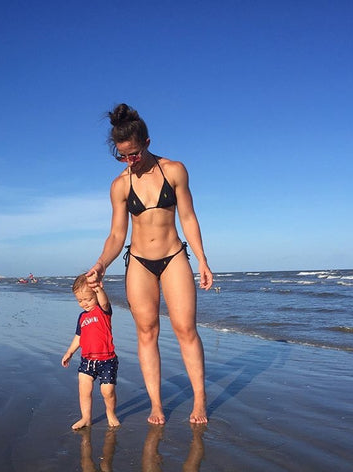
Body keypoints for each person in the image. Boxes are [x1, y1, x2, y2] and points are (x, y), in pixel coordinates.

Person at [86, 103, 213, 425]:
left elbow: (188, 218)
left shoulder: (174, 171)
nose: (129, 161)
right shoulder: (120, 185)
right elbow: (116, 234)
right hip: (139, 262)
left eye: (133, 154)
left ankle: (199, 400)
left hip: (173, 257)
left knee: (185, 329)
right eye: (122, 155)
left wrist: (202, 260)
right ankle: (157, 405)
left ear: (147, 143)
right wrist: (101, 264)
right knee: (146, 332)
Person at [61, 273, 120, 430]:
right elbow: (79, 337)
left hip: (107, 359)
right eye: (80, 301)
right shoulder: (82, 317)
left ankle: (110, 413)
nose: (84, 304)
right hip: (86, 360)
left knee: (107, 391)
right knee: (84, 390)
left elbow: (105, 302)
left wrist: (99, 289)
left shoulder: (103, 311)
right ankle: (86, 418)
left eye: (88, 299)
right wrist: (69, 352)